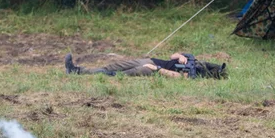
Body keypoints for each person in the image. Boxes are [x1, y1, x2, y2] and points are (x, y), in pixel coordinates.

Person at [64, 52, 227, 79]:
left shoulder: (194, 73)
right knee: (114, 66)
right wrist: (181, 56)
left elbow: (177, 77)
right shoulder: (191, 59)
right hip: (152, 61)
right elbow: (173, 55)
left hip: (153, 70)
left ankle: (79, 72)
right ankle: (77, 69)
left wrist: (157, 70)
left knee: (119, 74)